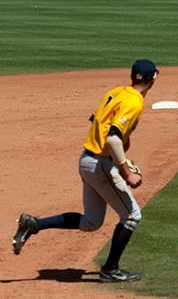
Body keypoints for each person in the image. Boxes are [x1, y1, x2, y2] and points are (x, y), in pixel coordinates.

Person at [12, 59, 159, 283]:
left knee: (92, 222)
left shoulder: (116, 92)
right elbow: (112, 138)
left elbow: (98, 123)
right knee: (131, 216)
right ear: (153, 79)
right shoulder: (135, 102)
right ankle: (110, 269)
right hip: (100, 164)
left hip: (87, 160)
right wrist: (126, 172)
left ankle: (33, 224)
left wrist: (122, 156)